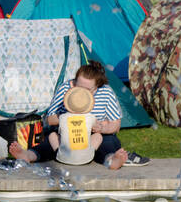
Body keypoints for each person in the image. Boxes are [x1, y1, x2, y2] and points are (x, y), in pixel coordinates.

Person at [9, 61, 148, 169]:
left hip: (94, 135)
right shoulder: (65, 88)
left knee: (108, 142)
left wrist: (102, 128)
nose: (80, 92)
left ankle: (112, 160)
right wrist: (68, 119)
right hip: (67, 135)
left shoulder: (106, 93)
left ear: (96, 88)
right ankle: (28, 155)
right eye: (77, 86)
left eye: (86, 89)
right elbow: (50, 119)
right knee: (50, 139)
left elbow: (115, 124)